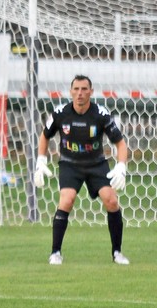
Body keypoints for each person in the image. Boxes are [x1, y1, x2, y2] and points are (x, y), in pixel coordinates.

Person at [33, 74, 129, 265]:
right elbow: (44, 136)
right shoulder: (60, 113)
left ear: (91, 92)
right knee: (66, 200)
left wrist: (121, 166)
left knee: (111, 200)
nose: (80, 93)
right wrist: (41, 162)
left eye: (84, 89)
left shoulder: (101, 115)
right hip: (70, 164)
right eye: (76, 89)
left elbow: (120, 143)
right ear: (71, 92)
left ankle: (117, 252)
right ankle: (55, 252)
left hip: (96, 164)